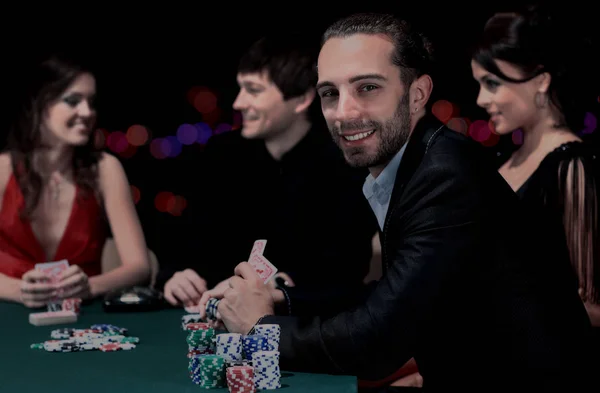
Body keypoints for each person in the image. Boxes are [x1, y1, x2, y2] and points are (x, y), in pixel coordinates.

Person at [211, 13, 595, 391]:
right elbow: (391, 294)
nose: (343, 113)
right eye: (331, 93)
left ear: (417, 95)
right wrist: (282, 300)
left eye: (367, 88)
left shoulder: (445, 174)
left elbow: (377, 341)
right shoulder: (414, 163)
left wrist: (260, 327)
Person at [157, 33, 378, 316]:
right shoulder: (219, 155)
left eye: (253, 90)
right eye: (240, 88)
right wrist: (175, 275)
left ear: (301, 99)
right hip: (205, 317)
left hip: (304, 329)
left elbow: (342, 273)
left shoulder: (345, 164)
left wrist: (274, 290)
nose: (238, 103)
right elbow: (181, 242)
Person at [470, 4, 599, 328]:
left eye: (492, 82)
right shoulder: (504, 160)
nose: (481, 99)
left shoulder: (571, 165)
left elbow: (591, 307)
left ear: (540, 81)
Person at [0, 53, 151, 308]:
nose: (87, 112)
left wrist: (89, 286)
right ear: (39, 105)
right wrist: (18, 290)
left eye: (91, 102)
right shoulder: (2, 168)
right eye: (73, 101)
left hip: (84, 316)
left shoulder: (105, 169)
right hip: (9, 314)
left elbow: (139, 267)